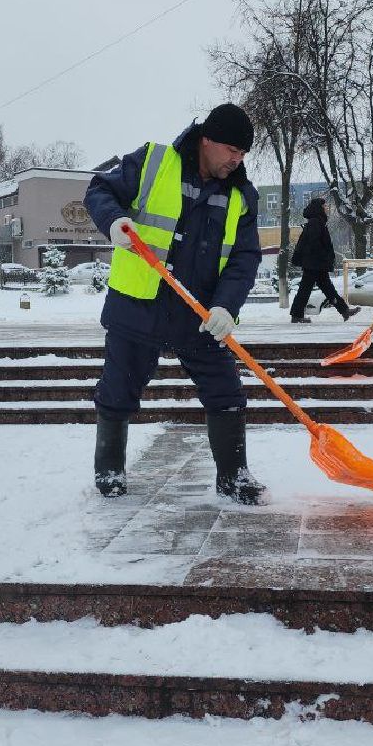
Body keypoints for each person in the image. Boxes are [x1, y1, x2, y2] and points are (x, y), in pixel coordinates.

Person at [85, 103, 265, 504]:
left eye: (243, 154)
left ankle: (233, 477)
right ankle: (109, 469)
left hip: (200, 313)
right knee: (118, 391)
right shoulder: (154, 161)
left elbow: (244, 259)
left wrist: (226, 307)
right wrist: (113, 220)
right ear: (207, 140)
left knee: (226, 393)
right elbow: (100, 189)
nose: (237, 160)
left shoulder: (241, 196)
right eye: (231, 149)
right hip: (139, 305)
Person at [288, 196, 360, 324]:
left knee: (325, 289)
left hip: (315, 263)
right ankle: (297, 315)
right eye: (324, 206)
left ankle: (344, 311)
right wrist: (324, 258)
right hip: (314, 263)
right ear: (319, 208)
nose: (326, 208)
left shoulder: (316, 221)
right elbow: (314, 243)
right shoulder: (316, 222)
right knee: (307, 289)